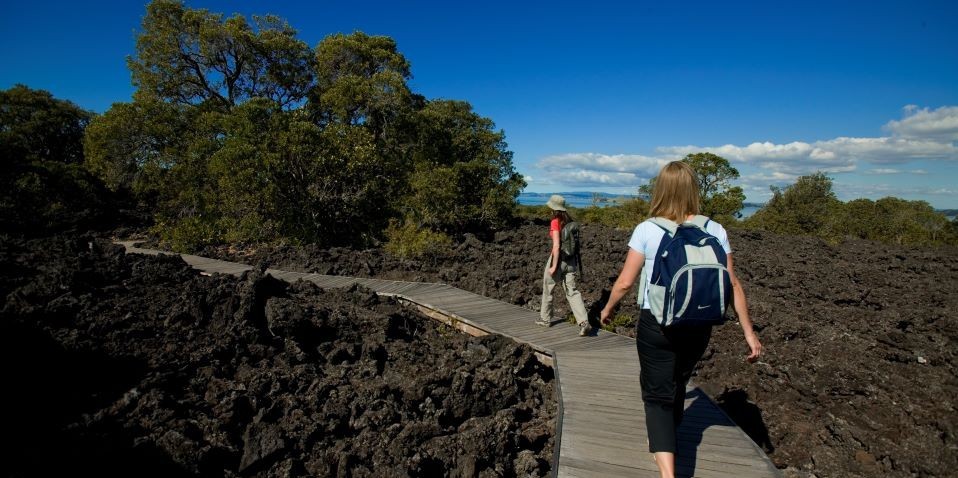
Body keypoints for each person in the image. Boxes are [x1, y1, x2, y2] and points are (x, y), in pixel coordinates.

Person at [599, 161, 762, 478]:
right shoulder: (715, 230)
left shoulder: (648, 229)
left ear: (661, 189)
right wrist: (749, 333)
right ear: (693, 190)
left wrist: (608, 309)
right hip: (699, 326)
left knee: (657, 395)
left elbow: (624, 283)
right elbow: (733, 284)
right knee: (676, 384)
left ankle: (667, 470)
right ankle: (666, 438)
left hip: (656, 323)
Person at [538, 194, 592, 336]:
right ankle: (584, 323)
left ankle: (545, 319)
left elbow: (556, 246)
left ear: (554, 208)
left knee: (548, 288)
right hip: (571, 261)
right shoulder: (570, 222)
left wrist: (554, 266)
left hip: (559, 259)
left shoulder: (556, 221)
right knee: (572, 292)